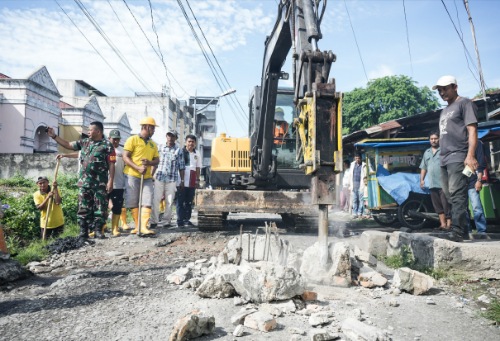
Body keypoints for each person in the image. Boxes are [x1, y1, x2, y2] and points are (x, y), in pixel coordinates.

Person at [47, 121, 115, 239]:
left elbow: (111, 164)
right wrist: (54, 136)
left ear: (98, 131)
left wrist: (111, 181)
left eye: (90, 130)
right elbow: (68, 144)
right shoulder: (84, 143)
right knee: (83, 207)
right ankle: (84, 231)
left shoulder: (107, 146)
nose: (88, 132)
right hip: (84, 183)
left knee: (100, 207)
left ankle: (98, 230)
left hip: (100, 183)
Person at [434, 75, 478, 242]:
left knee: (458, 193)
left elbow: (472, 130)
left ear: (455, 87)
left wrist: (470, 155)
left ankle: (457, 231)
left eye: (445, 88)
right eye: (439, 90)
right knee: (449, 195)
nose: (442, 92)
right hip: (444, 158)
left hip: (459, 156)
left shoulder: (465, 103)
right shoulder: (444, 111)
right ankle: (464, 229)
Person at [122, 117, 159, 235]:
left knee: (147, 200)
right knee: (133, 201)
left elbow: (157, 160)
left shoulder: (153, 144)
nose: (154, 130)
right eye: (152, 128)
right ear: (146, 127)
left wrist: (149, 163)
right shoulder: (132, 139)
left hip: (147, 177)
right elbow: (125, 156)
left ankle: (143, 227)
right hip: (132, 175)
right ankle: (137, 226)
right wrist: (137, 167)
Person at [151, 130, 185, 228]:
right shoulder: (160, 147)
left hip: (172, 179)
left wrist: (182, 180)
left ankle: (166, 222)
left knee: (169, 201)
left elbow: (181, 167)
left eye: (173, 136)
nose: (170, 138)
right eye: (169, 135)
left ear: (176, 138)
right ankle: (154, 221)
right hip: (159, 177)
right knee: (155, 200)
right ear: (166, 136)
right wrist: (151, 175)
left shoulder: (178, 151)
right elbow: (155, 162)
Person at [419, 131, 451, 230]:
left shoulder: (443, 150)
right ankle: (443, 224)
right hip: (432, 184)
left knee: (446, 205)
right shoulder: (427, 152)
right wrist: (422, 180)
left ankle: (450, 225)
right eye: (431, 139)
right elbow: (423, 167)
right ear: (429, 140)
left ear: (439, 139)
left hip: (444, 183)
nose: (433, 140)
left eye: (435, 138)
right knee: (437, 206)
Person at [177, 134, 202, 227]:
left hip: (192, 179)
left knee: (189, 202)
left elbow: (198, 167)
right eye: (189, 141)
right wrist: (180, 181)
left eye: (193, 142)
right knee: (180, 201)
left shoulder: (197, 153)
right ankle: (180, 221)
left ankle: (187, 220)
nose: (191, 143)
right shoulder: (180, 152)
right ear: (185, 142)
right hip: (181, 179)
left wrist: (197, 180)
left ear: (195, 143)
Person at [107, 130, 126, 236]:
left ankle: (115, 228)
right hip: (104, 182)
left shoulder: (122, 151)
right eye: (114, 139)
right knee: (101, 206)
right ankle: (101, 227)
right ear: (109, 138)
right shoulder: (104, 150)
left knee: (117, 206)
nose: (115, 141)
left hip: (118, 183)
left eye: (117, 139)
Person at [468, 140, 488, 238]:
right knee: (462, 208)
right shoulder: (458, 142)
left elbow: (481, 163)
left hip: (473, 180)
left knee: (476, 207)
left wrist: (479, 180)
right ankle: (467, 230)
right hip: (460, 181)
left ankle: (481, 231)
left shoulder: (477, 143)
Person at [348, 153, 366, 219]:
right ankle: (354, 213)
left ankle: (359, 213)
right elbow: (350, 175)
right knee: (354, 200)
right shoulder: (352, 165)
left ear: (361, 159)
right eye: (356, 158)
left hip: (361, 185)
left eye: (358, 158)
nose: (357, 160)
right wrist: (349, 185)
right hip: (353, 185)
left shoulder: (364, 165)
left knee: (361, 200)